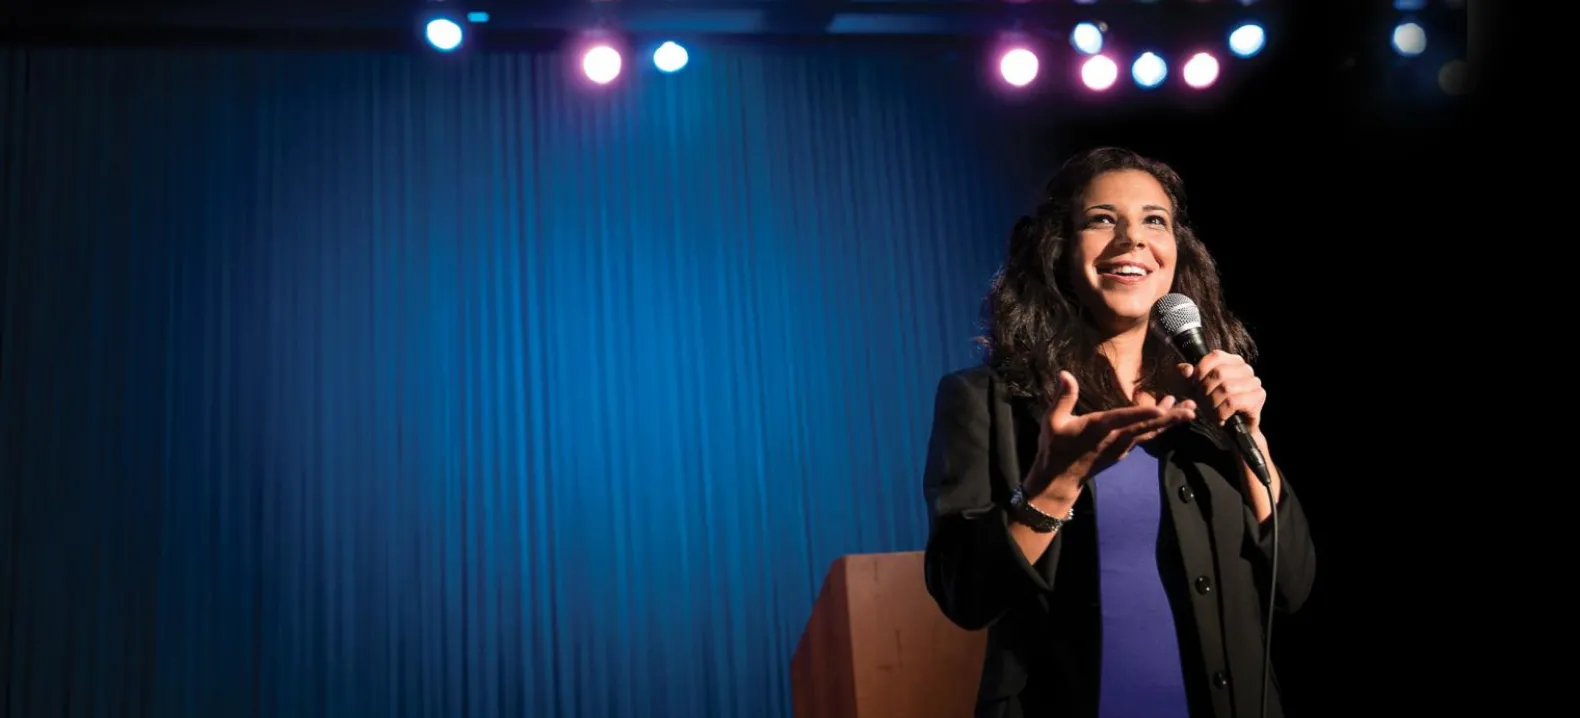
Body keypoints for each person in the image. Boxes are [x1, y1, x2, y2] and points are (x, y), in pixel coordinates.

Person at [921, 147, 1316, 718]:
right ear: (1058, 248)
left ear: (1177, 250)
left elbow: (1293, 586)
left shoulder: (1209, 400)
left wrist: (1250, 435)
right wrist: (1054, 485)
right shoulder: (986, 401)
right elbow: (964, 595)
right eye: (1102, 219)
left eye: (1154, 220)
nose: (1132, 239)